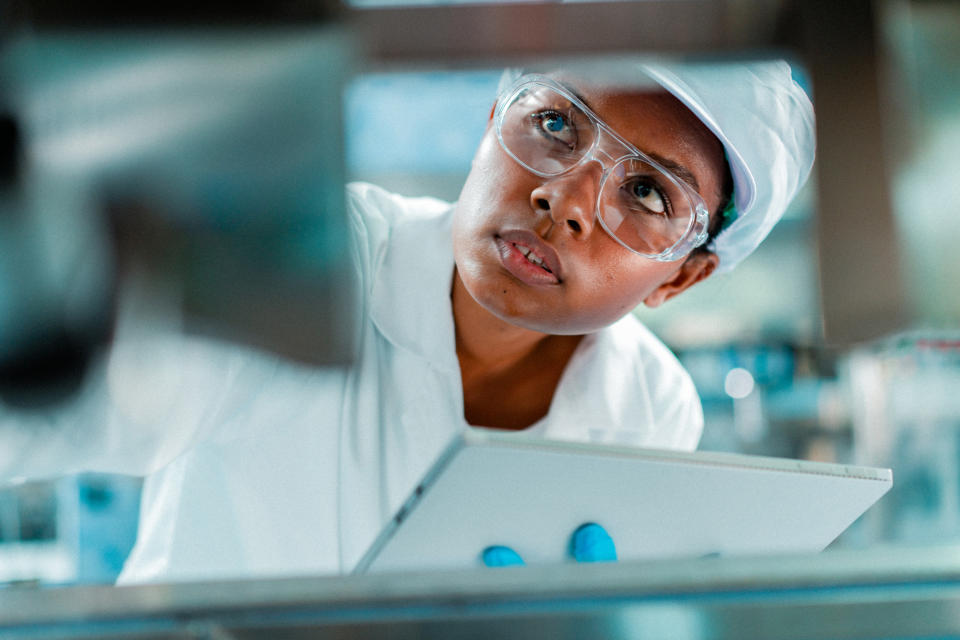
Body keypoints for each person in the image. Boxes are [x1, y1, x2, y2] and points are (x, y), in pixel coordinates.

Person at [0, 59, 815, 584]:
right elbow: (66, 410)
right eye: (557, 123)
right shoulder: (310, 265)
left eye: (646, 193)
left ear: (683, 277)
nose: (562, 200)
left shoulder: (652, 402)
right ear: (491, 119)